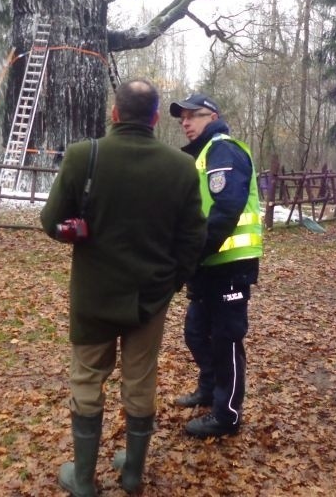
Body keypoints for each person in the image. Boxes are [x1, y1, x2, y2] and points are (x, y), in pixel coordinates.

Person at [40, 79, 206, 496]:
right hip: (149, 298)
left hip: (93, 296)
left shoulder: (83, 157)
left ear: (115, 114)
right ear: (154, 119)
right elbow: (193, 239)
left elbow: (49, 222)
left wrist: (71, 231)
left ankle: (82, 481)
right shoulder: (181, 167)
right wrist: (172, 283)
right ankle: (132, 474)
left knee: (87, 379)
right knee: (140, 381)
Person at [169, 93, 263, 438]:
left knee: (226, 339)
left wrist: (192, 254)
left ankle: (227, 415)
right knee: (196, 331)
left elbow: (226, 210)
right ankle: (209, 389)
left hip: (229, 263)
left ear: (212, 116)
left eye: (192, 116)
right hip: (209, 263)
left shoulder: (223, 149)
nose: (185, 123)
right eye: (182, 118)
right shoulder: (202, 156)